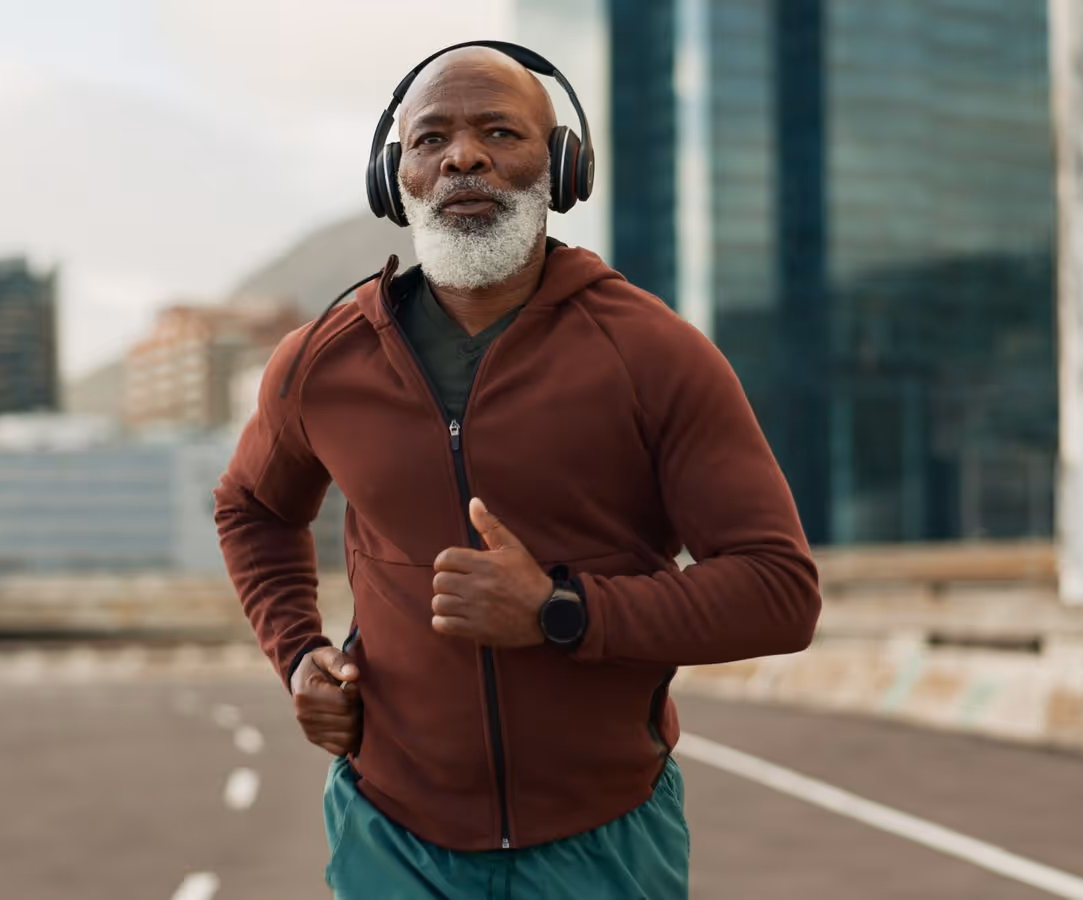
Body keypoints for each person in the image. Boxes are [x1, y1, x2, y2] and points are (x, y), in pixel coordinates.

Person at [214, 40, 821, 899]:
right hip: (388, 833)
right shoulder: (320, 362)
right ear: (396, 178)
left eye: (499, 132)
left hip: (604, 839)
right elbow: (252, 508)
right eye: (431, 140)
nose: (463, 156)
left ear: (562, 167)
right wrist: (300, 654)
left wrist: (559, 611)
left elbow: (779, 592)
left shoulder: (656, 354)